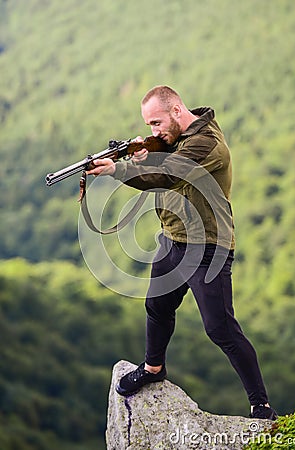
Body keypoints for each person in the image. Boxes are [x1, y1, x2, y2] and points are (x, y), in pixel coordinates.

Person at [87, 85, 277, 420]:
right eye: (148, 125)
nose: (153, 131)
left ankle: (261, 405)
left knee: (220, 329)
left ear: (177, 111)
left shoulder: (207, 143)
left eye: (156, 123)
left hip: (207, 248)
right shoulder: (177, 136)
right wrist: (145, 152)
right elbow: (163, 160)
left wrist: (118, 169)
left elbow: (167, 175)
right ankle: (153, 368)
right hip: (173, 239)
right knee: (157, 306)